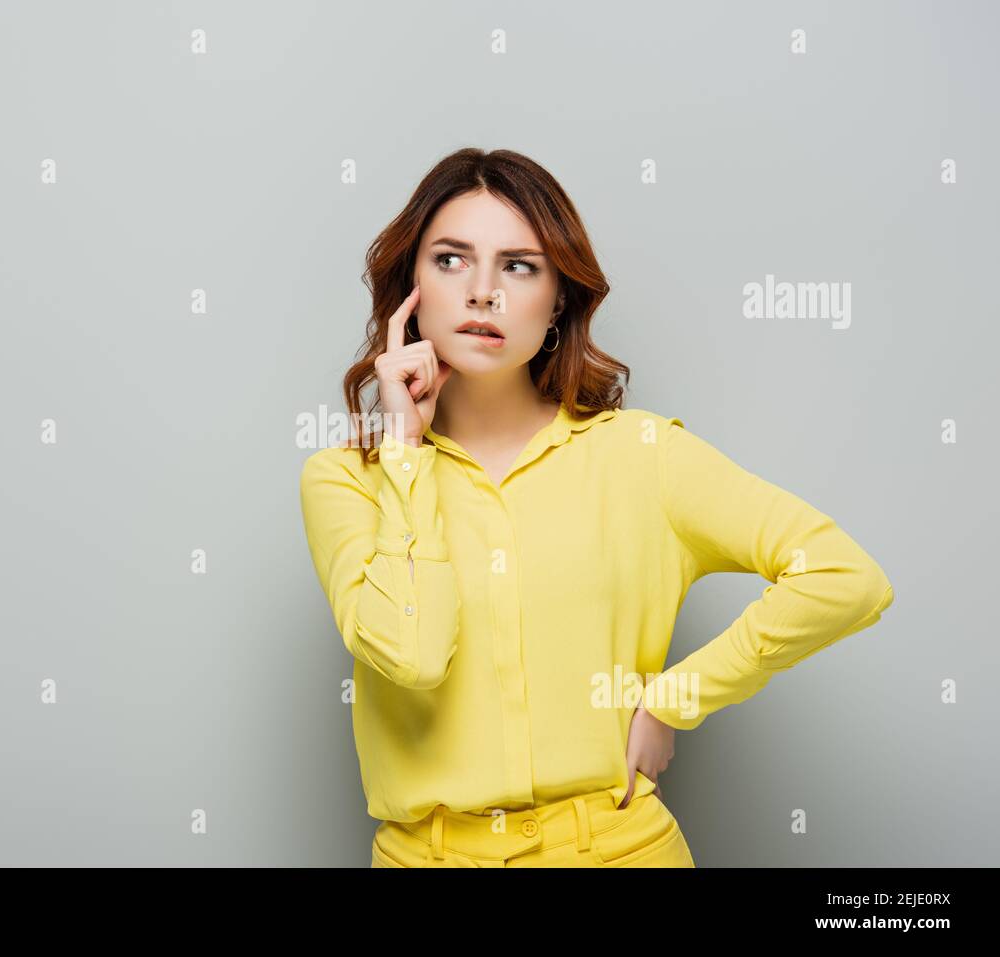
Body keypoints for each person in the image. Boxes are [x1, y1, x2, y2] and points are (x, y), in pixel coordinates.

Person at [298, 148, 894, 868]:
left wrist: (678, 695)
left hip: (618, 851)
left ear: (557, 301)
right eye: (452, 260)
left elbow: (844, 576)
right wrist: (404, 450)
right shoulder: (347, 481)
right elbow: (415, 656)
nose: (482, 291)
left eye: (519, 266)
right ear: (410, 287)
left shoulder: (640, 455)